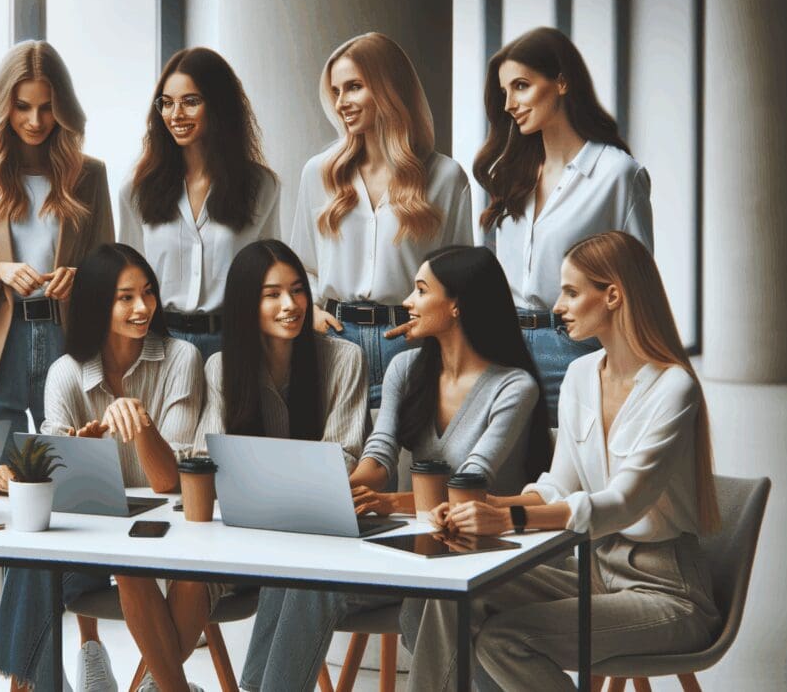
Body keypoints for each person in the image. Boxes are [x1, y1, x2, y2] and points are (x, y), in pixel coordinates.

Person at [405, 231, 720, 692]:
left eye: (571, 292)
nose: (556, 305)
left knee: (506, 640)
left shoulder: (674, 388)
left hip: (666, 591)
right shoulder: (578, 376)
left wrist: (507, 517)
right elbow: (559, 484)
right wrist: (486, 507)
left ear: (612, 295)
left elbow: (623, 503)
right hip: (592, 571)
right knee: (455, 594)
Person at [241, 245, 549, 691]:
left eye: (421, 290)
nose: (407, 301)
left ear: (457, 304)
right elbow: (379, 456)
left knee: (313, 586)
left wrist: (386, 503)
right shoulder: (406, 367)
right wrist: (330, 493)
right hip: (413, 546)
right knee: (294, 568)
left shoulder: (514, 386)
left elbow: (470, 485)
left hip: (478, 550)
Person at [0, 244, 205, 692]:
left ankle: (164, 686)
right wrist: (73, 460)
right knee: (29, 561)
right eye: (124, 297)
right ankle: (38, 684)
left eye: (147, 293)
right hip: (93, 536)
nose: (142, 307)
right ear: (95, 303)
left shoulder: (181, 358)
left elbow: (171, 483)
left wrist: (142, 426)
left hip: (169, 532)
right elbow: (60, 493)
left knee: (130, 561)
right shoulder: (66, 373)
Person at [189, 240, 371, 692]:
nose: (290, 305)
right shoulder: (222, 367)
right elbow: (206, 457)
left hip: (325, 536)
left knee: (299, 574)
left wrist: (258, 475)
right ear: (245, 304)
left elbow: (343, 456)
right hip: (252, 539)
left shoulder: (343, 358)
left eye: (297, 291)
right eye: (271, 294)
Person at [0, 39, 114, 456]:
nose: (35, 120)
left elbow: (113, 272)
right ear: (3, 106)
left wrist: (82, 278)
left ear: (63, 108)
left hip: (65, 338)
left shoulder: (90, 175)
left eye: (47, 107)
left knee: (73, 474)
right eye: (22, 107)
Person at [475, 26, 653, 422]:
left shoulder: (617, 174)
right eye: (504, 91)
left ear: (561, 82)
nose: (509, 104)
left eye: (521, 86)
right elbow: (486, 271)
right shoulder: (508, 174)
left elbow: (637, 288)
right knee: (502, 479)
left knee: (567, 477)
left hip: (575, 349)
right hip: (502, 348)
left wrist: (631, 374)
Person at [291, 31, 472, 408]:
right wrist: (314, 314)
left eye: (354, 87)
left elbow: (461, 279)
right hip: (334, 344)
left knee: (406, 463)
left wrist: (430, 327)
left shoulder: (445, 177)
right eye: (336, 91)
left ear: (390, 88)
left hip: (409, 344)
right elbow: (301, 266)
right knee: (336, 460)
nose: (342, 103)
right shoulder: (318, 173)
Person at [118, 47, 280, 359]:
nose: (175, 115)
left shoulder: (262, 186)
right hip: (159, 344)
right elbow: (126, 283)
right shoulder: (136, 192)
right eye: (166, 103)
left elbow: (270, 277)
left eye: (191, 101)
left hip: (235, 343)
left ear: (219, 106)